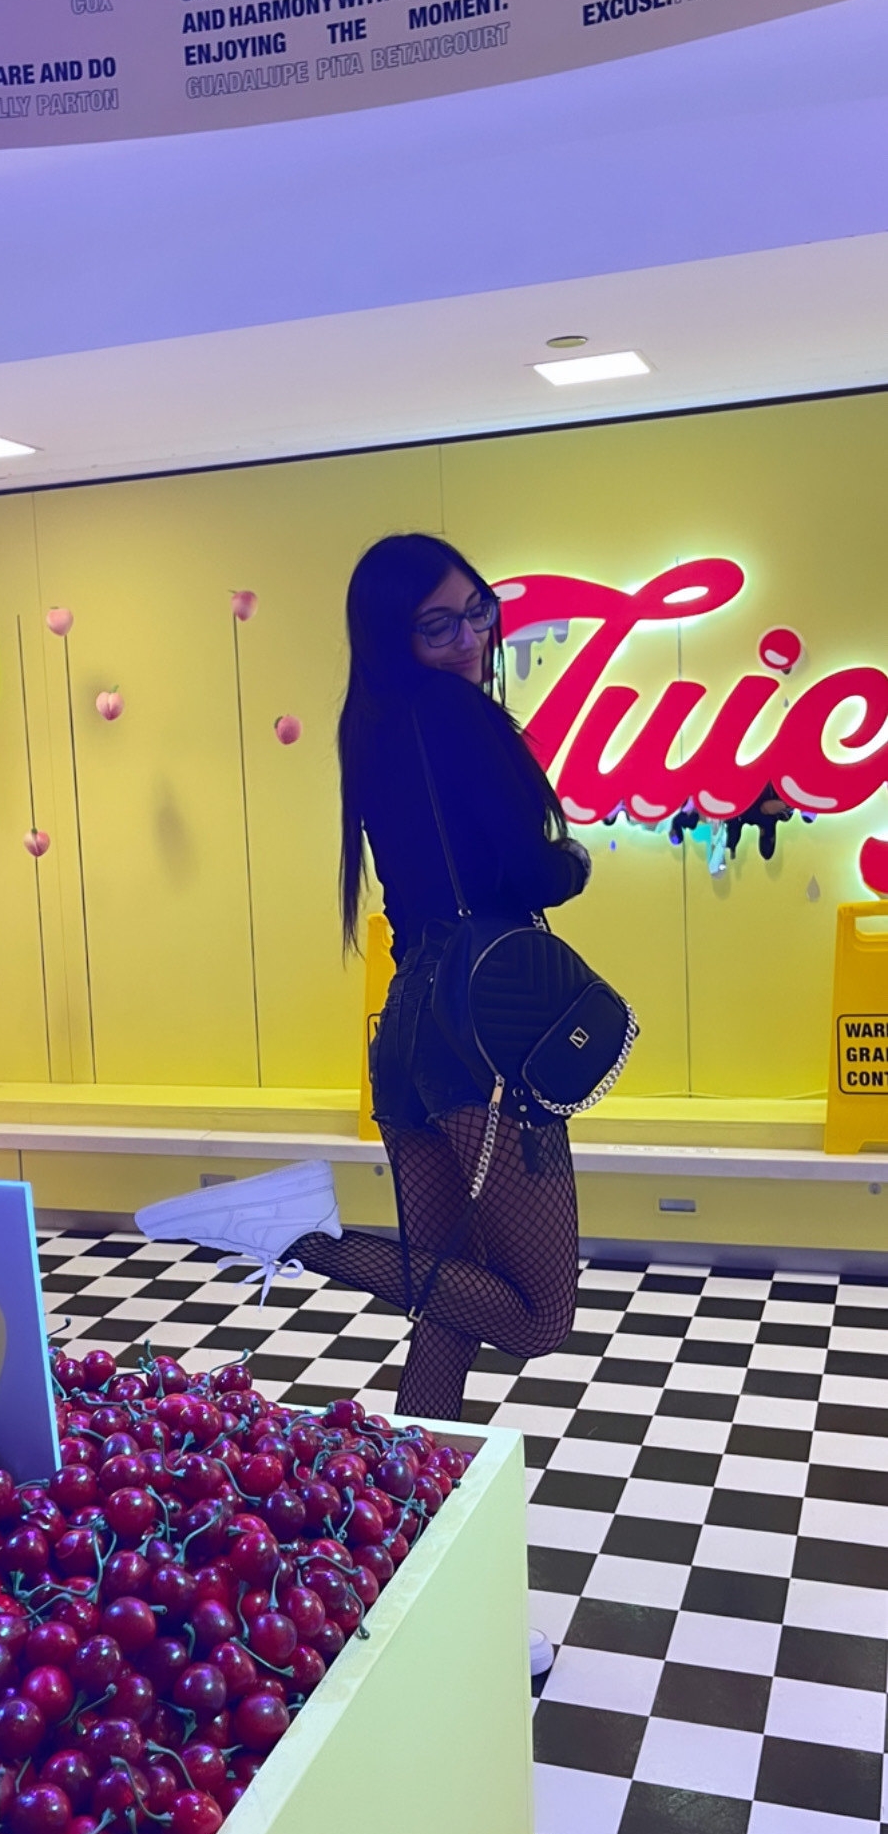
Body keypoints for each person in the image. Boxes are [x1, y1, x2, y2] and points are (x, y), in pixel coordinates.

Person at [137, 532, 590, 1423]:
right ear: (396, 636)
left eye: (476, 611)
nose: (469, 638)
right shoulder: (459, 716)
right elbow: (530, 874)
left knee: (449, 1300)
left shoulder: (371, 724)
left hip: (412, 1027)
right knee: (540, 1317)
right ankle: (299, 1233)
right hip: (486, 1028)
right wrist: (573, 860)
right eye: (437, 625)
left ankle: (416, 1479)